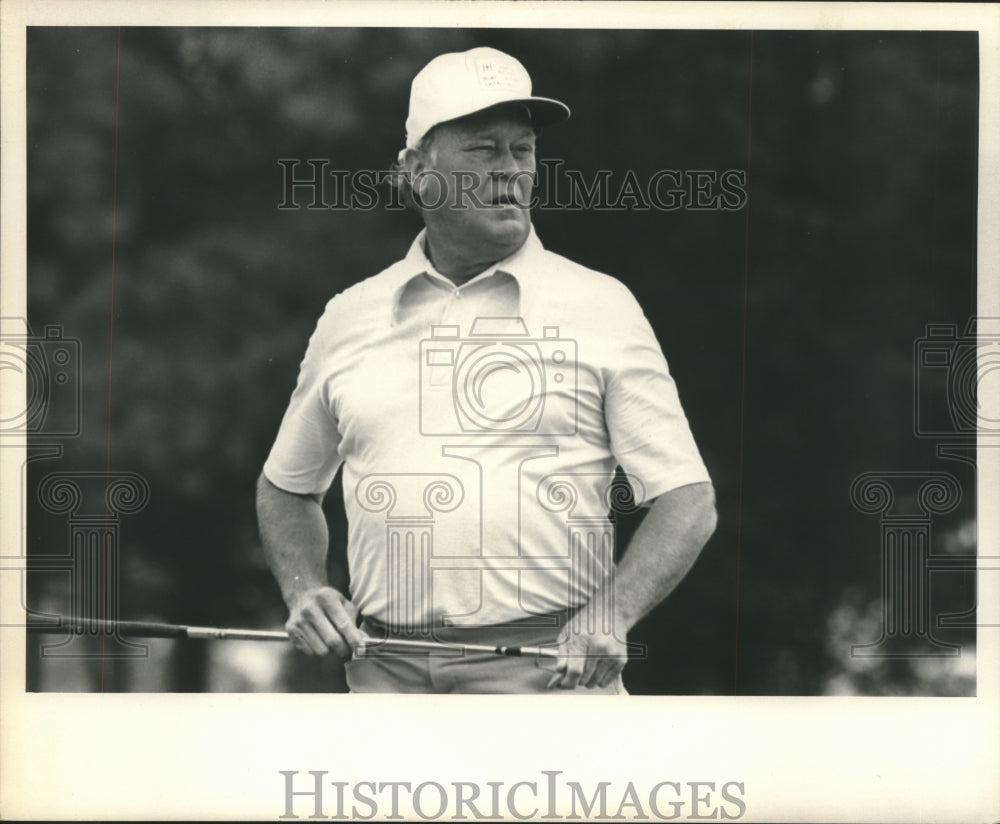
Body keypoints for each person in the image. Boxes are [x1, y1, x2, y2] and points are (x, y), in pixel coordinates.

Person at [257, 46, 717, 694]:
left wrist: (611, 614)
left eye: (522, 150)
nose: (510, 172)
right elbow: (286, 487)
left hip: (548, 682)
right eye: (483, 150)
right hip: (383, 681)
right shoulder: (350, 316)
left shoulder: (601, 306)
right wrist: (306, 589)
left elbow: (688, 499)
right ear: (416, 171)